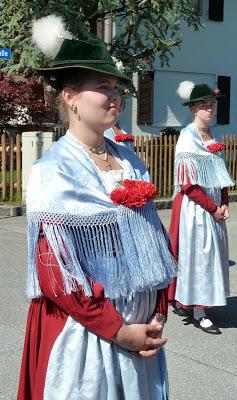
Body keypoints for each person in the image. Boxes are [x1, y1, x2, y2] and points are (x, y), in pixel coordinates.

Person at [17, 15, 176, 400]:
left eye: (118, 87)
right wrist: (118, 331)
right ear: (70, 97)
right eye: (103, 87)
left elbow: (152, 239)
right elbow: (56, 274)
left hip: (141, 330)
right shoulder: (53, 170)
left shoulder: (131, 159)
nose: (116, 95)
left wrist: (157, 307)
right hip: (88, 335)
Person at [168, 81, 234, 334]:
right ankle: (198, 311)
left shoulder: (211, 136)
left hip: (213, 206)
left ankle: (196, 305)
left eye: (212, 104)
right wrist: (212, 207)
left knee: (210, 257)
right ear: (193, 108)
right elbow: (186, 184)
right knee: (198, 257)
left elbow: (221, 173)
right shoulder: (187, 138)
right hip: (196, 208)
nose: (210, 109)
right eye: (204, 105)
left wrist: (225, 201)